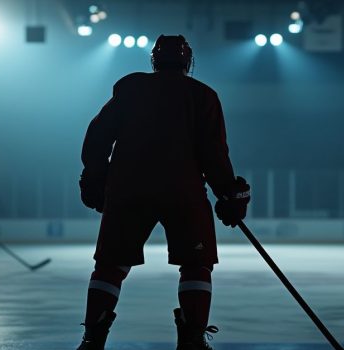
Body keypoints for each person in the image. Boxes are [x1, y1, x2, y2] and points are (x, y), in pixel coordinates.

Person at [77, 35, 250, 350]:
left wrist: (94, 176)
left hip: (127, 187)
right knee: (196, 264)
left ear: (154, 60)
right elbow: (213, 153)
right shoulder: (203, 95)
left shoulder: (129, 88)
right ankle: (193, 338)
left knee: (110, 264)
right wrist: (228, 193)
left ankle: (92, 338)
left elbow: (98, 135)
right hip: (182, 189)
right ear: (188, 62)